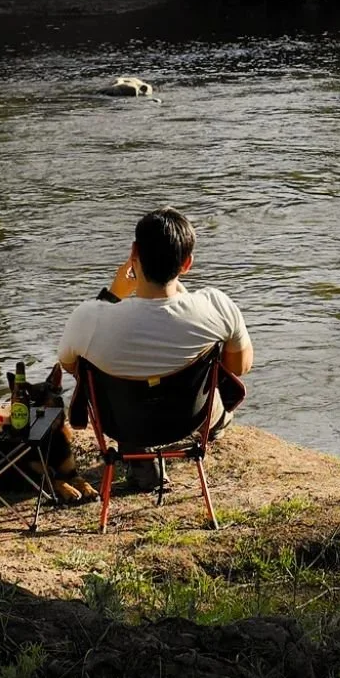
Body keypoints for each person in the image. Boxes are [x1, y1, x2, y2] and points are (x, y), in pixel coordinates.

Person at [57, 207, 252, 489]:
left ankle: (142, 462)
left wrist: (112, 296)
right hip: (191, 419)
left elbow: (70, 366)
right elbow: (239, 367)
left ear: (134, 252)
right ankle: (197, 437)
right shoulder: (216, 306)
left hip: (123, 423)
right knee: (212, 393)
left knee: (117, 383)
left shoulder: (88, 318)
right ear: (187, 264)